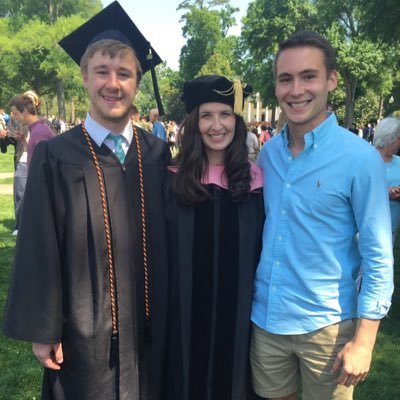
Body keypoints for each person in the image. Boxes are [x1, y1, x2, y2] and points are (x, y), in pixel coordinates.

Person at [2, 2, 170, 399]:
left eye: (125, 74)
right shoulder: (56, 156)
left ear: (137, 83)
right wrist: (43, 328)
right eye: (102, 72)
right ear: (84, 77)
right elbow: (38, 244)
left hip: (150, 326)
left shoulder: (157, 155)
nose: (113, 83)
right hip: (83, 331)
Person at [250, 31, 394, 400]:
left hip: (327, 328)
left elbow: (378, 255)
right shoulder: (268, 157)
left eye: (308, 76)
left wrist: (364, 341)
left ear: (331, 80)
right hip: (266, 321)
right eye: (286, 79)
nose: (296, 89)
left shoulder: (360, 159)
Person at [165, 74, 264, 399]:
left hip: (238, 324)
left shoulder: (255, 181)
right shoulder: (172, 180)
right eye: (206, 115)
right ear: (194, 122)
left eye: (225, 114)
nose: (216, 125)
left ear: (237, 120)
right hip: (183, 321)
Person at [9, 91, 54, 167]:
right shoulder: (36, 129)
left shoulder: (39, 131)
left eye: (16, 114)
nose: (15, 117)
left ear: (25, 112)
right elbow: (34, 153)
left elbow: (45, 163)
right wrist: (23, 140)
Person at [373, 116, 400, 243]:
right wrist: (385, 192)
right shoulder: (364, 159)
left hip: (390, 230)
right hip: (362, 229)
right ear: (389, 137)